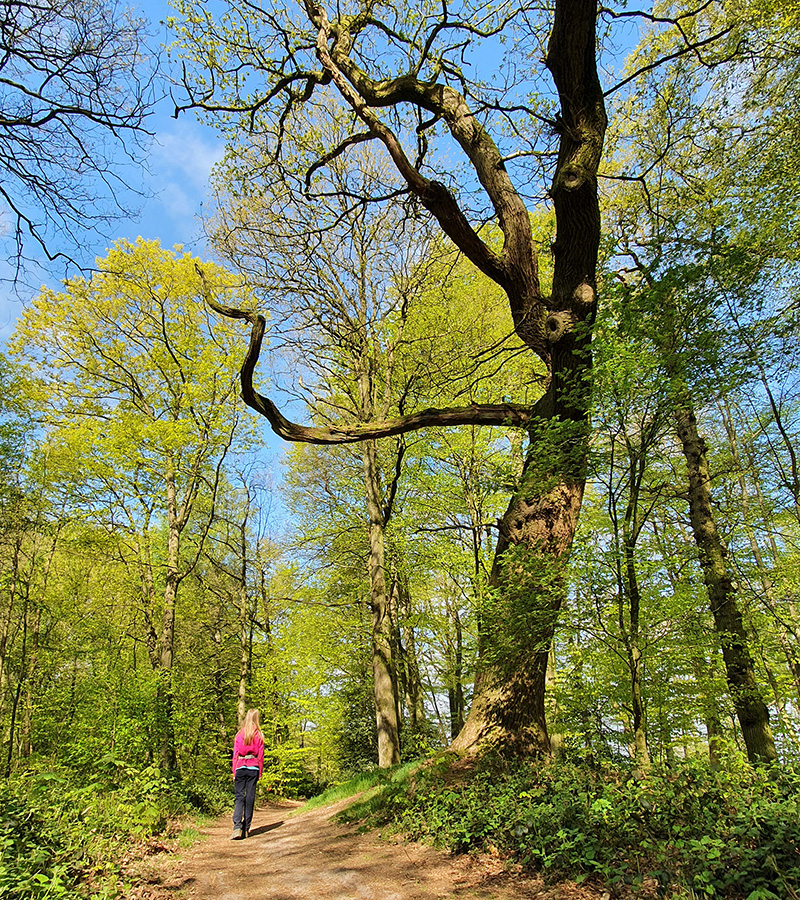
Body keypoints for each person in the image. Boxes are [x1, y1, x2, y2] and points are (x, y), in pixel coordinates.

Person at [230, 708, 264, 840]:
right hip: (253, 767)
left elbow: (235, 755)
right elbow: (260, 756)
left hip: (240, 767)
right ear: (256, 719)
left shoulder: (239, 734)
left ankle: (237, 826)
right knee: (250, 798)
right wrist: (259, 772)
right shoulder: (259, 735)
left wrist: (234, 771)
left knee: (239, 797)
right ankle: (246, 827)